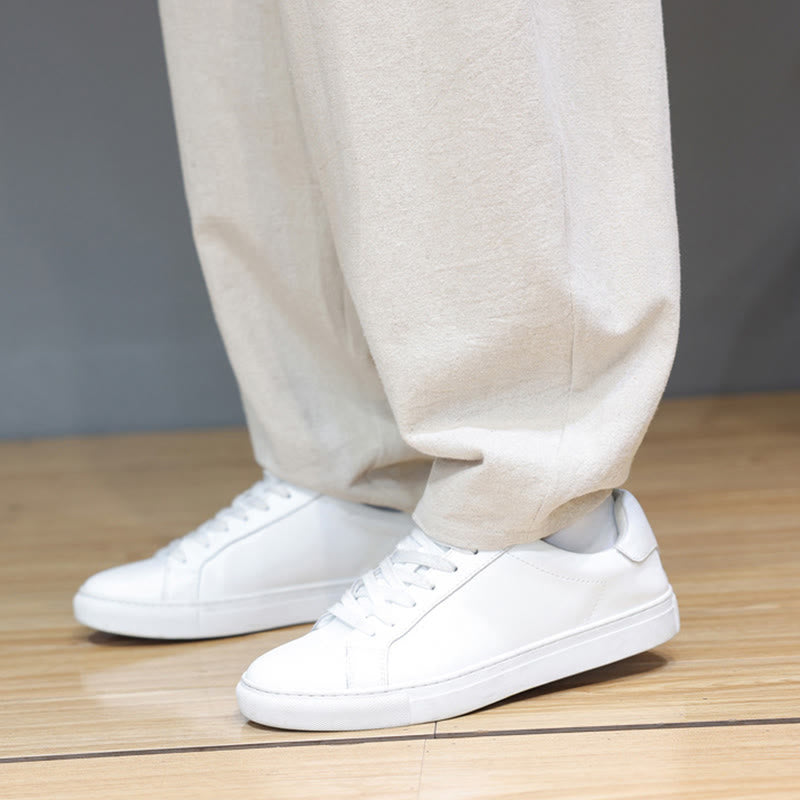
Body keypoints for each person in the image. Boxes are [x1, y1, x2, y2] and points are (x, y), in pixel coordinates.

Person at [74, 0, 681, 731]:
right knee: (246, 38)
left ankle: (543, 511)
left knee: (435, 31)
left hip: (544, 512)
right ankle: (357, 473)